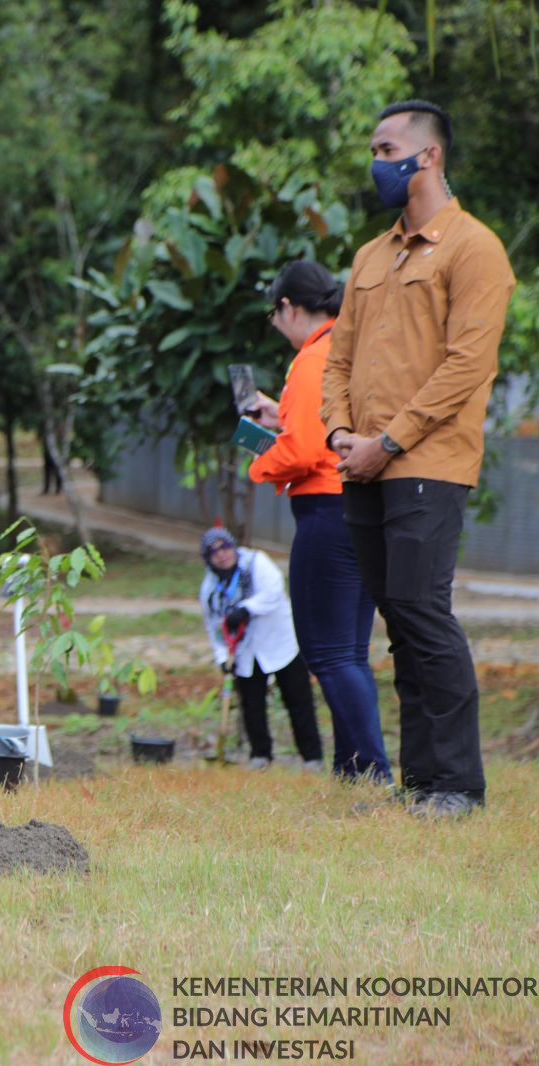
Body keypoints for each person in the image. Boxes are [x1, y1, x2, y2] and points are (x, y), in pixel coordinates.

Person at [321, 100, 516, 818]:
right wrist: (341, 434)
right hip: (364, 463)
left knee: (423, 612)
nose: (376, 161)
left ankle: (459, 784)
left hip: (427, 464)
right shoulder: (372, 256)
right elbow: (336, 361)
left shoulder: (475, 248)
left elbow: (468, 365)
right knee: (398, 623)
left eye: (385, 147)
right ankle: (422, 782)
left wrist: (390, 441)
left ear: (427, 156)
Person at [247, 261, 390, 781]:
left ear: (289, 307)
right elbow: (318, 428)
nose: (275, 324)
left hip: (325, 513)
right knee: (349, 652)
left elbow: (304, 450)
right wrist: (280, 417)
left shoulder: (313, 360)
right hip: (357, 510)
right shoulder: (347, 351)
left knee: (327, 652)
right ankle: (353, 765)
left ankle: (371, 768)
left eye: (274, 314)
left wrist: (258, 461)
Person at [198, 528, 324, 771]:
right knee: (252, 704)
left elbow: (273, 592)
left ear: (233, 546)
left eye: (224, 547)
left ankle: (312, 758)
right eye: (213, 552)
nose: (221, 555)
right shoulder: (210, 589)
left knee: (299, 700)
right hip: (244, 651)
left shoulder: (257, 562)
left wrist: (246, 608)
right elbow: (214, 626)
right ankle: (260, 756)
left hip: (281, 643)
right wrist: (222, 657)